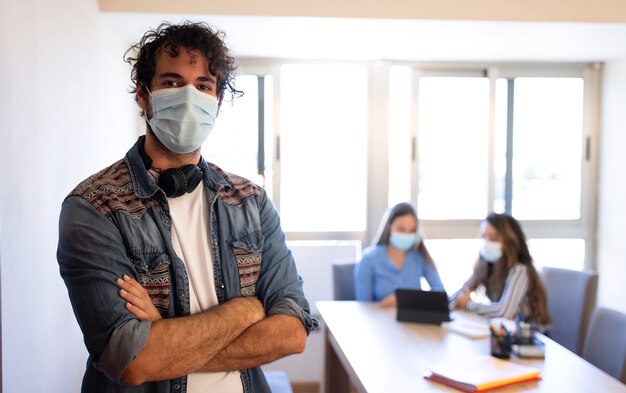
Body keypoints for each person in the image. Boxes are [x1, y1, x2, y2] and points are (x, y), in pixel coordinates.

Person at [57, 21, 317, 393]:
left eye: (203, 86)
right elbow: (131, 360)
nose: (189, 96)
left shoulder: (252, 203)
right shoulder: (94, 207)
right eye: (172, 83)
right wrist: (244, 311)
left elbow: (291, 332)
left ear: (218, 103)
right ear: (143, 96)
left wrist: (163, 339)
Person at [450, 212, 551, 329]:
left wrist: (468, 304)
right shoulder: (487, 266)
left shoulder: (520, 270)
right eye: (484, 237)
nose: (487, 242)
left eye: (494, 237)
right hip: (507, 331)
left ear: (510, 241)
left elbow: (504, 312)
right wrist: (444, 304)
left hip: (530, 337)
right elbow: (461, 293)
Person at [354, 202, 445, 307]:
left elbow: (440, 293)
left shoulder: (419, 256)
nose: (407, 234)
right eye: (401, 229)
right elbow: (363, 306)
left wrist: (408, 299)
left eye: (412, 230)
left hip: (412, 321)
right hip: (379, 320)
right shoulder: (368, 259)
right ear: (389, 226)